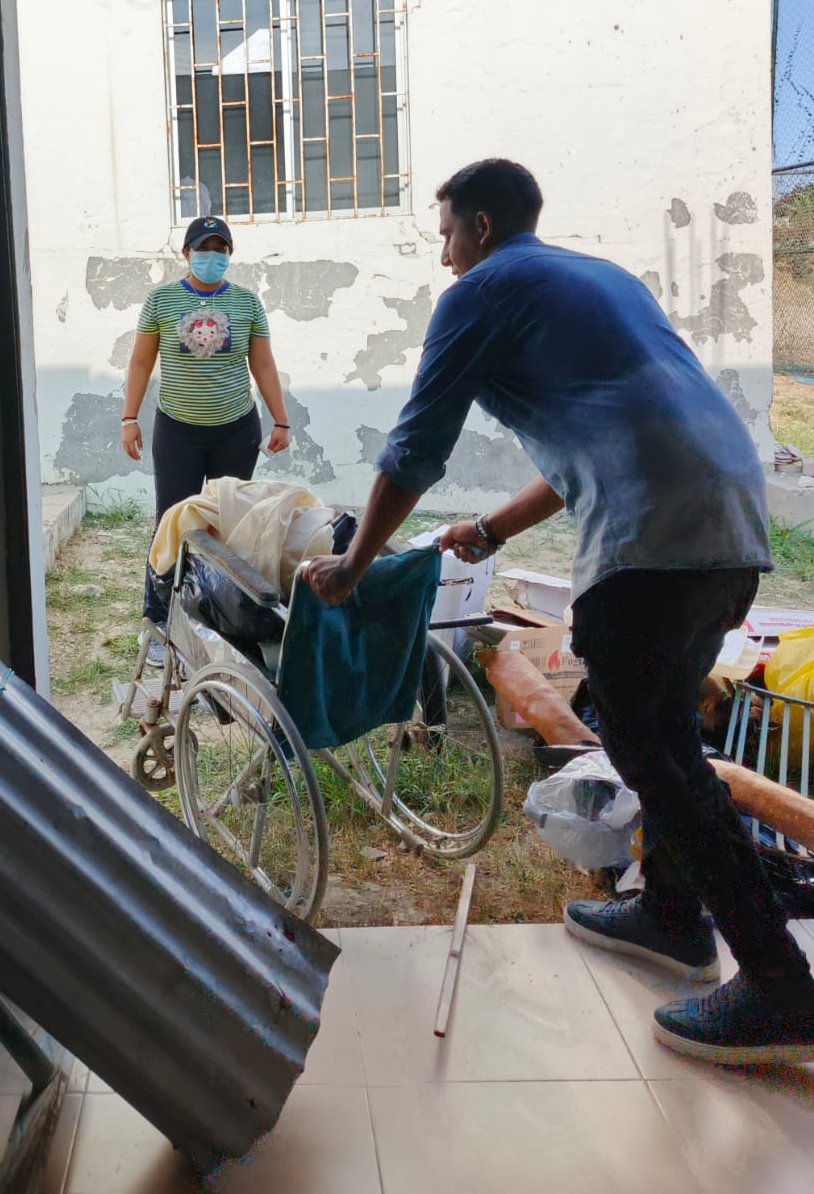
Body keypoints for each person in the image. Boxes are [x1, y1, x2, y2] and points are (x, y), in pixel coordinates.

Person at [305, 156, 814, 1066]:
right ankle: (670, 915)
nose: (446, 258)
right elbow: (610, 431)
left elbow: (414, 449)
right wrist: (491, 529)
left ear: (482, 227)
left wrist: (353, 564)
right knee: (664, 730)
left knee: (649, 746)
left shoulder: (480, 292)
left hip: (654, 531)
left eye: (448, 236)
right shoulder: (598, 279)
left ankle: (779, 983)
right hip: (730, 518)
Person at [121, 216, 290, 664]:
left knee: (229, 525)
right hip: (177, 432)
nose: (212, 256)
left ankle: (223, 621)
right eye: (203, 248)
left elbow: (263, 365)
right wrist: (129, 417)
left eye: (220, 249)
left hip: (236, 430)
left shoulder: (247, 302)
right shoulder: (161, 300)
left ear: (229, 255)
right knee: (171, 523)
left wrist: (281, 421)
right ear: (186, 253)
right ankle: (159, 622)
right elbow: (140, 363)